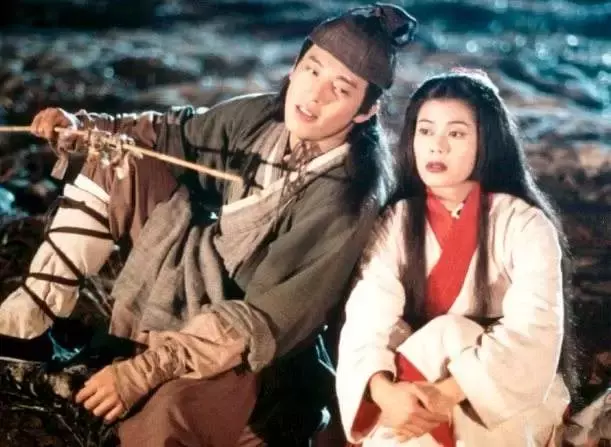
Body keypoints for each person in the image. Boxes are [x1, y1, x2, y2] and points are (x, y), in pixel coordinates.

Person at [0, 4, 418, 445]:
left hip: (255, 347)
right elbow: (169, 133)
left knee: (165, 419)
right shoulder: (261, 117)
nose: (315, 95)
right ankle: (28, 322)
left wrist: (143, 371)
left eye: (341, 88)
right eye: (312, 70)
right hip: (201, 274)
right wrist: (84, 127)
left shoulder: (348, 198)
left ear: (365, 111)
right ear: (295, 66)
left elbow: (264, 320)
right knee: (116, 156)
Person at [335, 69, 571, 446]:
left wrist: (443, 393)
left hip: (502, 399)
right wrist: (384, 391)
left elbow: (534, 331)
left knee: (449, 334)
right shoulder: (396, 222)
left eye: (456, 134)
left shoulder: (524, 223)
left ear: (487, 142)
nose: (437, 146)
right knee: (432, 342)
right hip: (411, 388)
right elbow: (367, 320)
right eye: (425, 131)